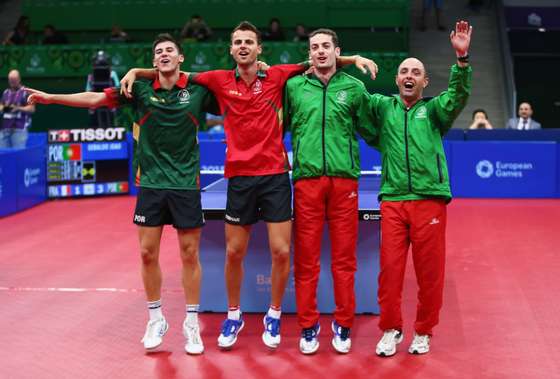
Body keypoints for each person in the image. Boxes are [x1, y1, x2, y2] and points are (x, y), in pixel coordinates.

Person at [120, 21, 377, 350]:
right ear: (231, 49)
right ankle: (233, 313)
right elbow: (170, 71)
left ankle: (273, 313)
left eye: (249, 42)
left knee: (282, 251)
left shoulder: (279, 75)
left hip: (274, 176)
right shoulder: (216, 80)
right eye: (237, 42)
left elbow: (319, 60)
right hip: (239, 178)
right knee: (234, 252)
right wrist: (137, 72)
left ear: (259, 49)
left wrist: (352, 58)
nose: (243, 46)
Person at [26, 33, 219, 355]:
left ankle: (190, 322)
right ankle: (156, 318)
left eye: (170, 50)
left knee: (189, 254)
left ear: (181, 58)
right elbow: (95, 100)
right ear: (153, 60)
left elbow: (235, 95)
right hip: (152, 183)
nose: (164, 54)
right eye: (159, 52)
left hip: (186, 183)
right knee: (147, 253)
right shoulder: (138, 89)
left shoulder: (198, 91)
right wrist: (51, 98)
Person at [371, 20, 472, 357]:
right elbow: (355, 104)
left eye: (416, 71)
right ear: (397, 79)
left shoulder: (434, 112)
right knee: (390, 272)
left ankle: (424, 331)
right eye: (404, 70)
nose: (409, 74)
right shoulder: (384, 109)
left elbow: (458, 95)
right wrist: (346, 61)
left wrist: (461, 59)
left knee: (430, 273)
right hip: (394, 200)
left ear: (425, 81)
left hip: (429, 200)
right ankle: (390, 329)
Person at [284, 28, 377, 355]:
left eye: (326, 46)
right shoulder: (294, 87)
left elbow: (371, 131)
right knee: (306, 260)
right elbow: (274, 125)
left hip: (344, 183)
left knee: (344, 260)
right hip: (307, 181)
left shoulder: (354, 88)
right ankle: (308, 326)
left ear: (337, 50)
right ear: (309, 53)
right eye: (314, 48)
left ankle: (343, 323)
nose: (320, 52)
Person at [0, 70, 34, 148]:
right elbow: (1, 106)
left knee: (17, 155)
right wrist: (5, 108)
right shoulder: (6, 92)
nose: (12, 83)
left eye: (14, 80)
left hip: (19, 129)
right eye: (10, 81)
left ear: (19, 79)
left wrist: (18, 108)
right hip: (5, 129)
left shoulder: (26, 91)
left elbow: (32, 109)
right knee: (3, 155)